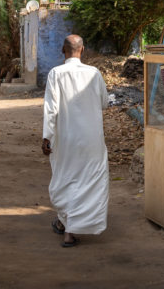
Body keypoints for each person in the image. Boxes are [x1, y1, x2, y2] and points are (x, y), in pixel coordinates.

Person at [42, 35, 109, 247]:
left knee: (67, 179)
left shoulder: (55, 74)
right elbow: (104, 103)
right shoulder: (94, 74)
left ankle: (67, 229)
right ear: (83, 50)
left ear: (63, 50)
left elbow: (51, 109)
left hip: (66, 139)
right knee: (89, 180)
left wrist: (47, 136)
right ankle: (67, 226)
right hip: (91, 140)